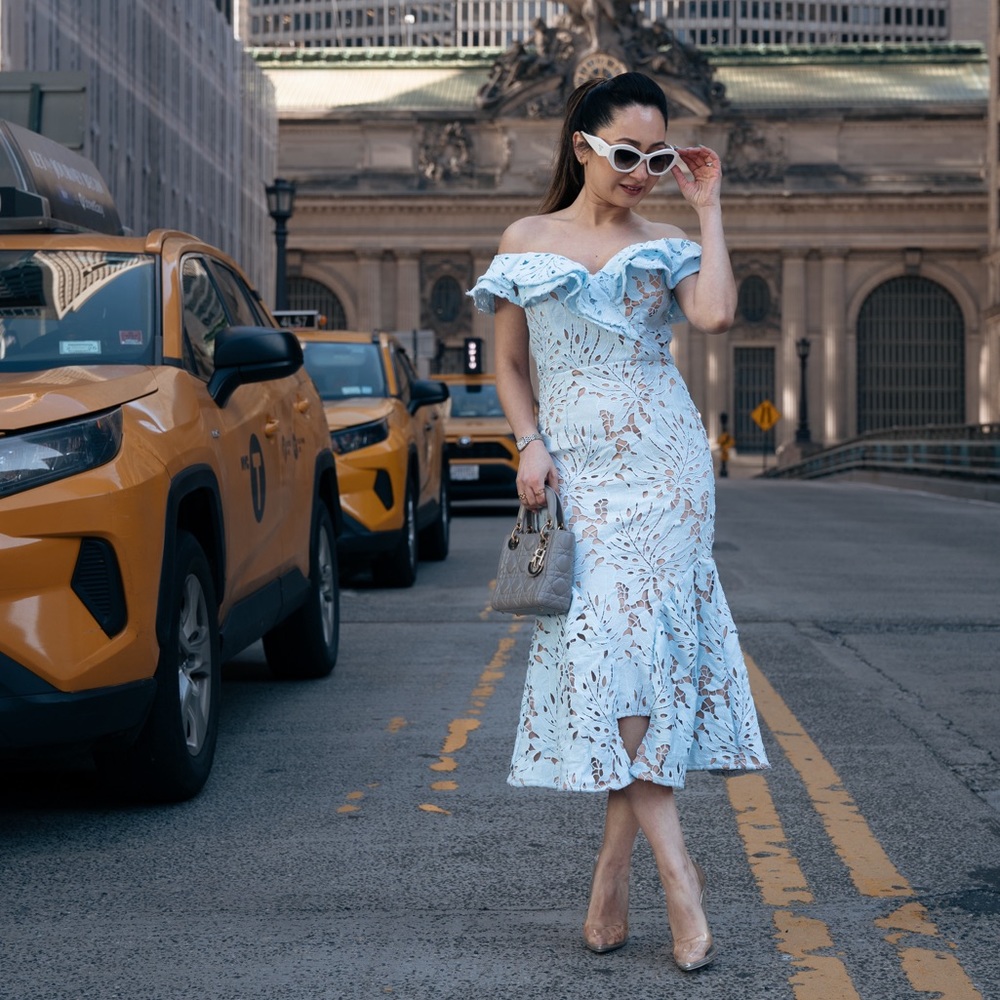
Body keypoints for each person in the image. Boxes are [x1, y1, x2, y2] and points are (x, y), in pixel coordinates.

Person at [469, 71, 769, 973]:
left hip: (668, 473)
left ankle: (658, 876)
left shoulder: (668, 242)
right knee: (612, 656)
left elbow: (715, 314)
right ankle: (636, 871)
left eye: (658, 157)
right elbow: (510, 363)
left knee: (639, 662)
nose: (643, 171)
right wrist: (528, 445)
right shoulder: (526, 240)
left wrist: (708, 208)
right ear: (583, 148)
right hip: (582, 476)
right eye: (627, 154)